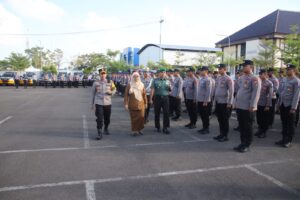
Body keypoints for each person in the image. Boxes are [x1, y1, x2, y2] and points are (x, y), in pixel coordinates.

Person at [233, 60, 261, 153]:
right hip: (240, 106)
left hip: (248, 107)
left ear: (251, 67)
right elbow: (239, 91)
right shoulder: (242, 77)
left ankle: (247, 144)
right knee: (241, 126)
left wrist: (253, 105)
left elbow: (256, 93)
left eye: (246, 66)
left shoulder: (255, 78)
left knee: (248, 127)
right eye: (243, 66)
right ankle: (242, 143)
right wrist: (235, 102)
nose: (243, 67)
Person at [276, 64, 300, 148]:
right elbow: (281, 93)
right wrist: (278, 104)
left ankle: (288, 140)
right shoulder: (285, 79)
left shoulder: (296, 81)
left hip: (290, 106)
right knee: (284, 123)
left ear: (293, 70)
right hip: (283, 104)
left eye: (289, 69)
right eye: (287, 69)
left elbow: (296, 95)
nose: (287, 71)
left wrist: (293, 107)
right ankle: (283, 138)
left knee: (290, 124)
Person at [91, 70, 116, 140]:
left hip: (108, 103)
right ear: (99, 75)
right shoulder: (96, 83)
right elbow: (93, 94)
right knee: (99, 118)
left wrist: (111, 92)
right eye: (101, 74)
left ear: (106, 75)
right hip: (99, 103)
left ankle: (106, 128)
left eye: (104, 74)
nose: (103, 75)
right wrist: (92, 104)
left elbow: (114, 89)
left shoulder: (110, 82)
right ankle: (99, 133)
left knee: (107, 118)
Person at [213, 64, 234, 142]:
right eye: (218, 68)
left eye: (220, 68)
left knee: (225, 120)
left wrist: (230, 102)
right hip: (219, 101)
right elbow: (216, 89)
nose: (219, 70)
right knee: (220, 119)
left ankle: (225, 136)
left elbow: (231, 91)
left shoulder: (228, 79)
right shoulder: (218, 78)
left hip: (225, 102)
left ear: (225, 69)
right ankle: (221, 134)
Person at [124, 72, 147, 136]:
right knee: (134, 118)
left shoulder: (142, 84)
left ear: (139, 77)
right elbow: (126, 95)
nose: (136, 78)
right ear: (132, 77)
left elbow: (144, 95)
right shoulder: (130, 84)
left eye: (137, 76)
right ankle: (135, 131)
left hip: (141, 104)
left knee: (141, 118)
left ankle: (139, 129)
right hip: (132, 104)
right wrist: (126, 104)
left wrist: (146, 103)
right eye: (134, 76)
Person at [150, 68, 171, 134]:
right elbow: (152, 90)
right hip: (157, 98)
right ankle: (157, 126)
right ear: (158, 73)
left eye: (164, 72)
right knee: (157, 113)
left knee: (166, 113)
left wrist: (170, 88)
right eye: (161, 72)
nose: (163, 74)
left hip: (165, 98)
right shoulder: (155, 80)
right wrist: (151, 99)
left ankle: (165, 127)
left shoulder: (167, 80)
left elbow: (170, 90)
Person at [255, 69, 273, 138]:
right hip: (258, 103)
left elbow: (270, 95)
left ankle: (264, 132)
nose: (260, 75)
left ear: (265, 74)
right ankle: (260, 130)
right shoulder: (259, 82)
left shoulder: (269, 83)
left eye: (261, 74)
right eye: (259, 74)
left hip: (265, 104)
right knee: (259, 118)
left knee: (264, 119)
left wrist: (268, 105)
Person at [196, 66, 213, 134]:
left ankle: (207, 128)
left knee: (205, 115)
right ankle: (204, 127)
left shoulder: (208, 79)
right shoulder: (201, 79)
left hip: (205, 101)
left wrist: (206, 101)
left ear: (206, 71)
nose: (200, 72)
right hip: (200, 100)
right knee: (202, 115)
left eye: (201, 70)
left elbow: (208, 91)